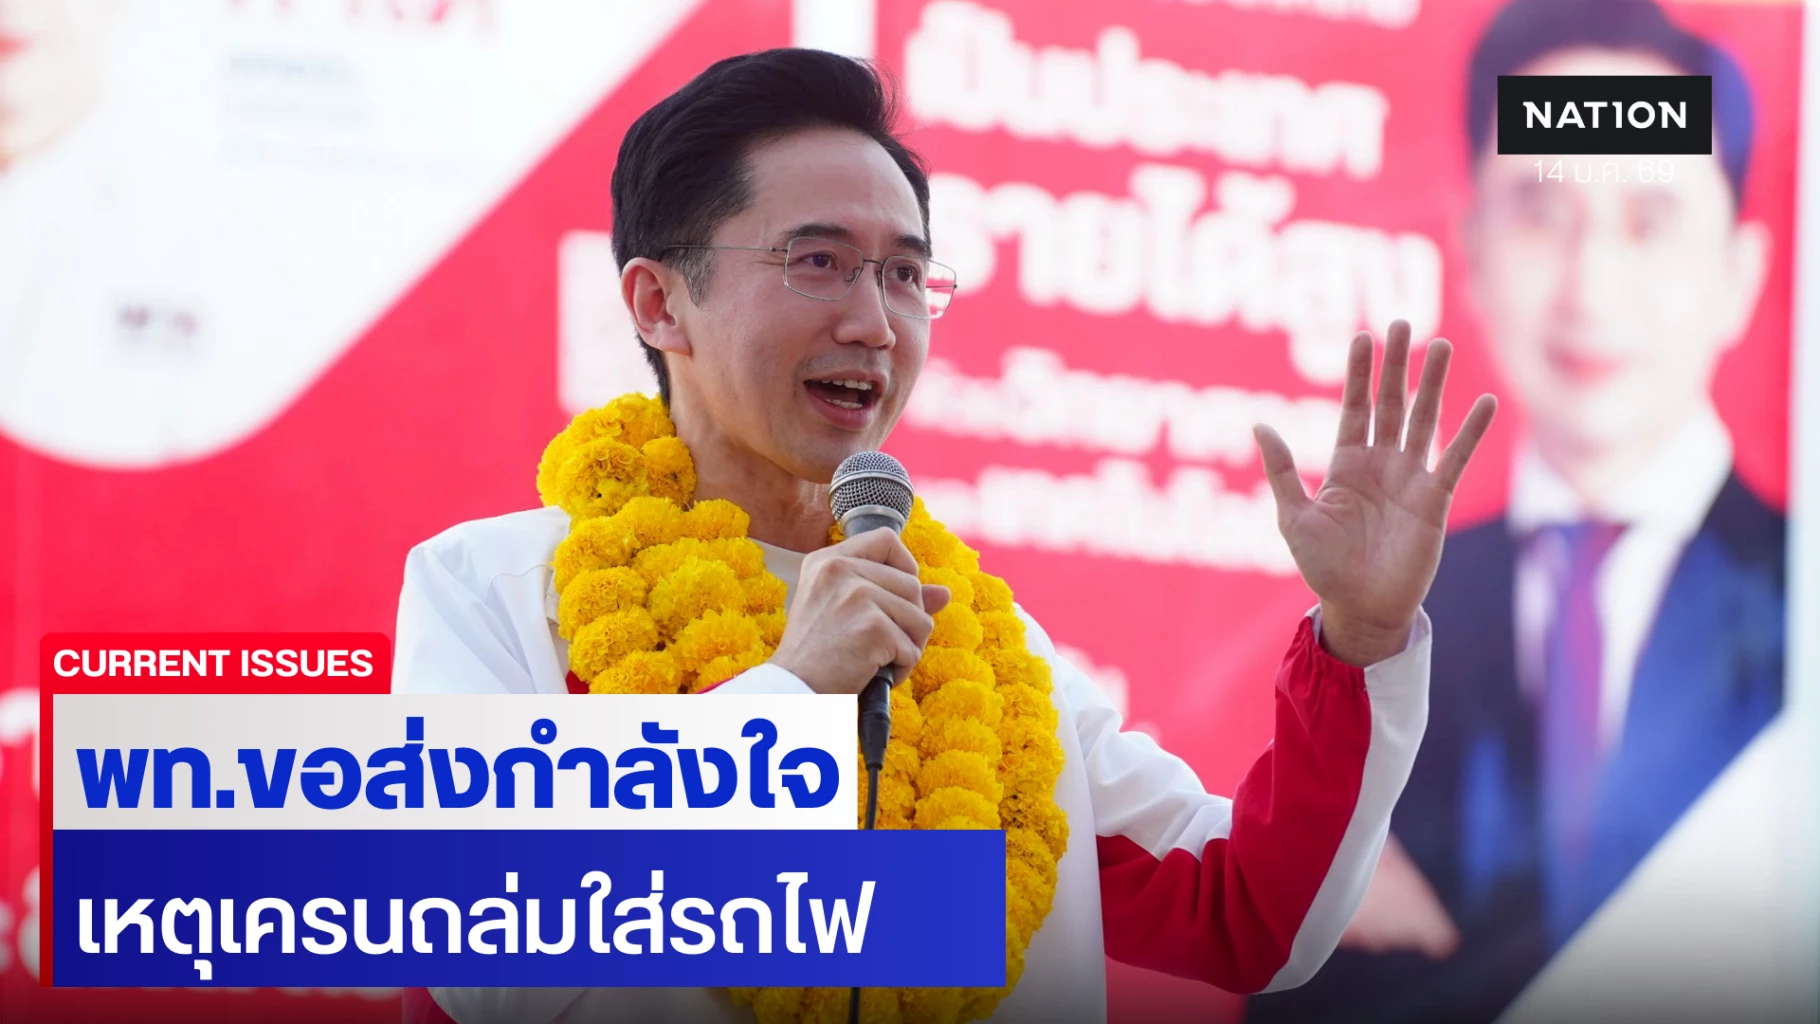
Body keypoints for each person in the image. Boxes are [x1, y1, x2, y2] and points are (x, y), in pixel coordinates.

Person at [392, 48, 1495, 1024]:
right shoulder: (494, 589)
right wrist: (791, 696)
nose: (874, 322)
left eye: (905, 274)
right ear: (657, 304)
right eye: (816, 261)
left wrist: (1361, 637)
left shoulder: (993, 662)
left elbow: (1247, 914)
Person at [1247, 1, 1784, 1021]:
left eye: (1649, 221)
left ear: (1739, 273)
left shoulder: (1797, 596)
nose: (1590, 285)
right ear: (1474, 250)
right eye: (1541, 212)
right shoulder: (1376, 613)